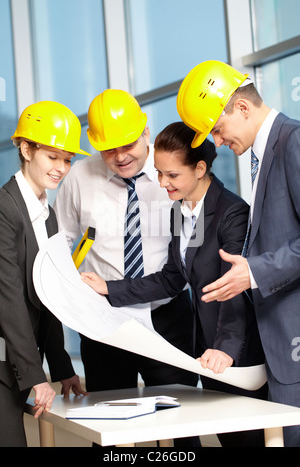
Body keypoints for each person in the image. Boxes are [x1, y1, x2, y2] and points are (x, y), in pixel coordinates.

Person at [81, 121, 267, 447]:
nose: (162, 183)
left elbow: (235, 288)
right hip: (207, 352)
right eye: (159, 173)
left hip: (235, 350)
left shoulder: (232, 212)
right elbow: (172, 279)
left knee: (246, 440)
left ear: (199, 168)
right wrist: (110, 288)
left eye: (172, 175)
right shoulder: (181, 210)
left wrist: (224, 348)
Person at [54, 90, 199, 447]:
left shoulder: (175, 175)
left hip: (167, 321)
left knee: (181, 428)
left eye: (127, 145)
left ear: (145, 132)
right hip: (104, 324)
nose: (119, 157)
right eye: (108, 149)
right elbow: (56, 244)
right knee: (108, 430)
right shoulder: (79, 178)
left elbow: (187, 260)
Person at [177, 59, 300, 447]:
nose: (216, 142)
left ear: (242, 108)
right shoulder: (262, 155)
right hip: (280, 346)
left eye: (216, 129)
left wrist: (255, 271)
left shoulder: (292, 141)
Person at [0, 100, 88, 447]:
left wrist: (61, 367)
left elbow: (46, 294)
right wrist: (38, 377)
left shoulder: (47, 214)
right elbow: (7, 298)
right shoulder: (4, 209)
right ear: (25, 148)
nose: (62, 168)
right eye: (53, 157)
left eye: (68, 159)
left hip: (19, 361)